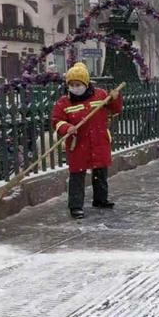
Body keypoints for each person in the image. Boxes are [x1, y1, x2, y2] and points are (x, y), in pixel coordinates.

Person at [51, 63, 122, 219]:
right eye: (72, 85)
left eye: (78, 84)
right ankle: (75, 206)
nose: (75, 87)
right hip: (78, 144)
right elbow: (57, 120)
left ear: (86, 83)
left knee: (100, 171)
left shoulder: (101, 95)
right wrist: (67, 127)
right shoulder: (64, 102)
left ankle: (100, 199)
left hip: (98, 140)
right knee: (77, 175)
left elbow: (115, 110)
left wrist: (116, 98)